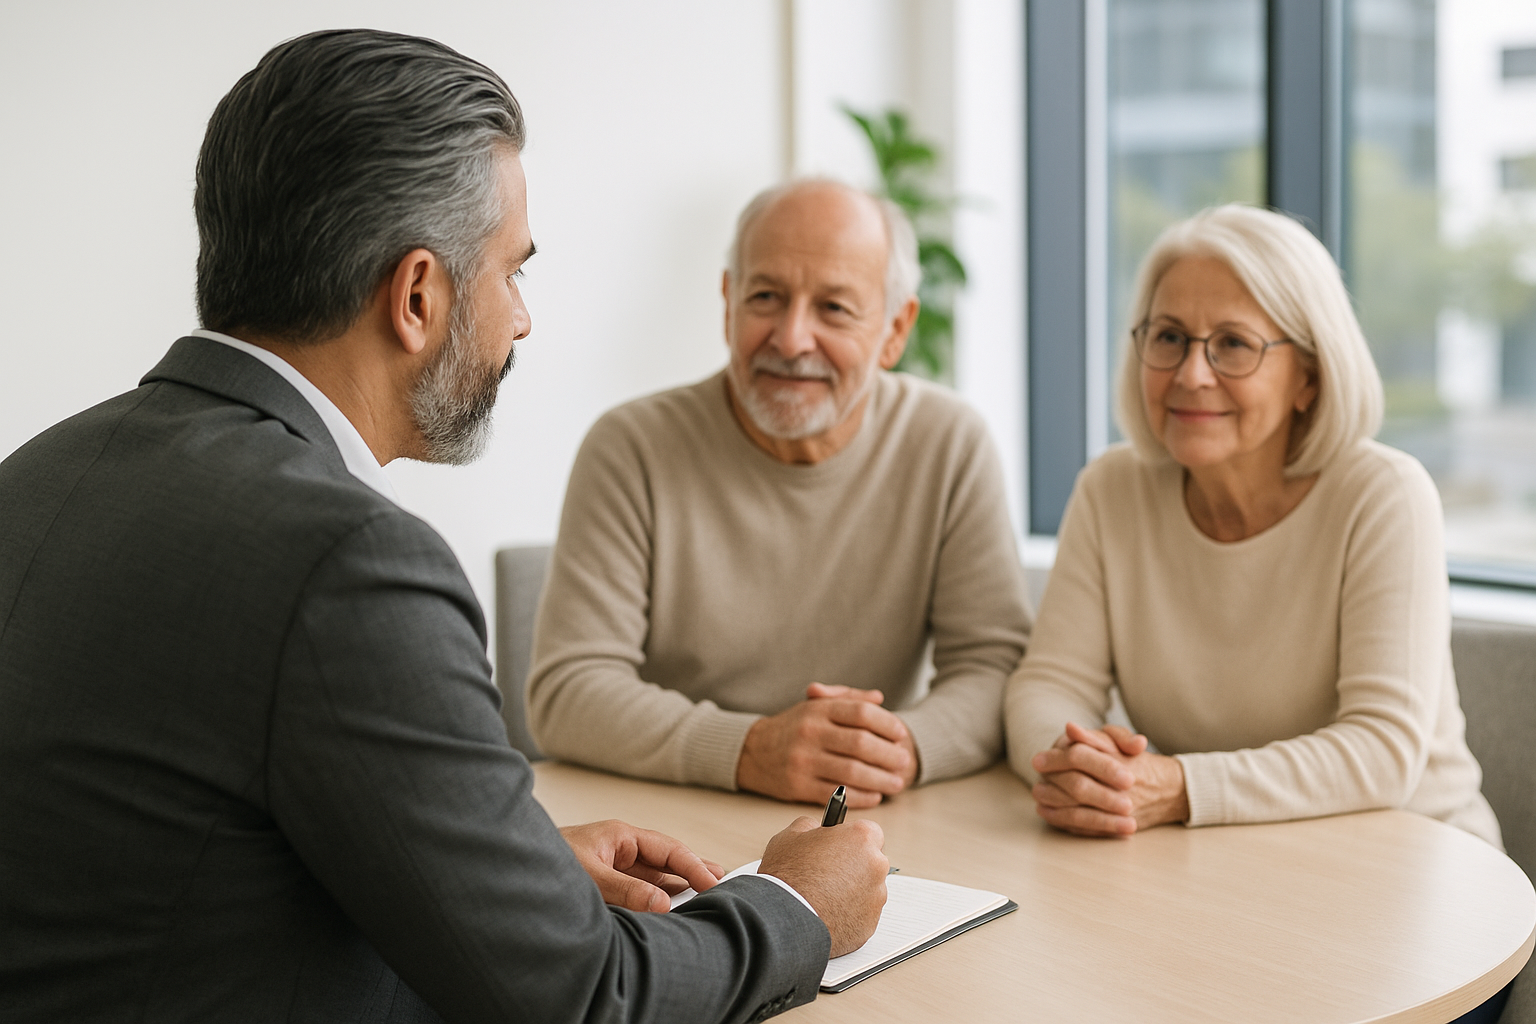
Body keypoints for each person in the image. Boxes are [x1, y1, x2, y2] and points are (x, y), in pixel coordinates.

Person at [0, 30, 890, 1023]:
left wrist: (503, 867)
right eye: (513, 272)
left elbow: (172, 844)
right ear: (417, 295)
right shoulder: (349, 564)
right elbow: (585, 997)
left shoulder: (37, 474)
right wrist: (796, 902)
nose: (521, 320)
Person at [1005, 204, 1501, 854]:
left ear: (1308, 377)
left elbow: (1381, 751)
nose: (1191, 373)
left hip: (1419, 862)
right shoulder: (1111, 490)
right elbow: (1048, 685)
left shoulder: (1384, 495)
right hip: (1224, 858)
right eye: (1169, 337)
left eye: (1233, 344)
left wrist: (1180, 785)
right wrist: (1079, 767)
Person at [525, 179, 1033, 809]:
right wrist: (750, 748)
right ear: (727, 303)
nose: (791, 340)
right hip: (662, 826)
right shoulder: (631, 447)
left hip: (859, 825)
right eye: (765, 297)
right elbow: (568, 691)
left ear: (896, 330)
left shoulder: (949, 443)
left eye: (835, 309)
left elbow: (994, 668)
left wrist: (896, 747)